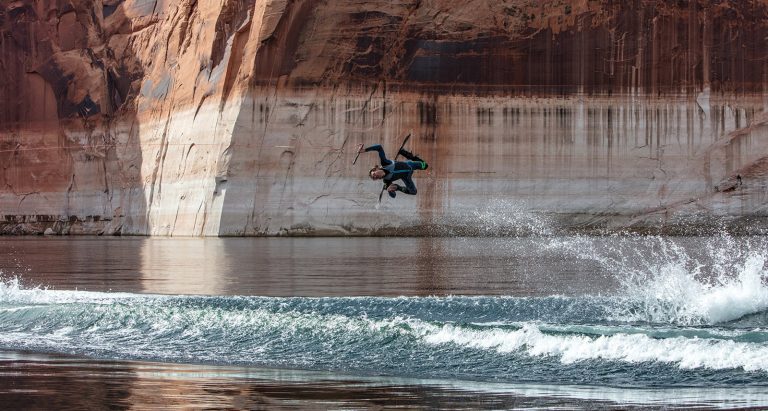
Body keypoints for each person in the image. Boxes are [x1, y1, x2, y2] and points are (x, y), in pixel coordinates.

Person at [358, 143, 428, 198]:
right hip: (406, 177)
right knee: (413, 192)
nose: (375, 177)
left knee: (425, 165)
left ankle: (408, 155)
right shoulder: (386, 181)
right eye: (374, 178)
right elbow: (394, 196)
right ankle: (398, 187)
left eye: (374, 174)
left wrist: (364, 150)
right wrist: (390, 190)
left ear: (376, 169)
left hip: (410, 165)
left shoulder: (385, 163)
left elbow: (379, 147)